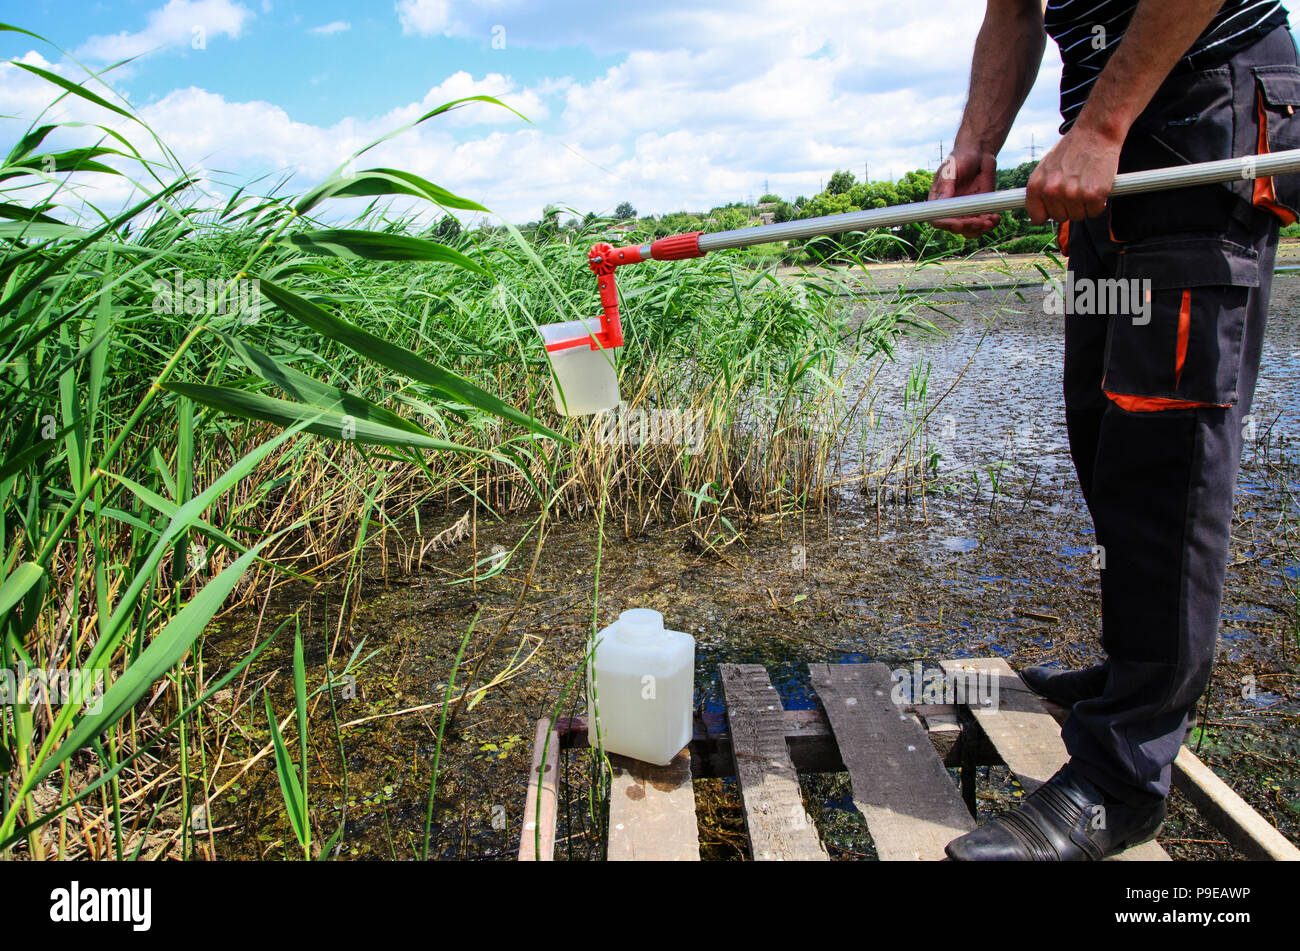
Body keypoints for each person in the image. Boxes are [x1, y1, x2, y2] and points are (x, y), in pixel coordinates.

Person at [930, 0, 1297, 860]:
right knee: (1104, 429)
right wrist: (976, 146)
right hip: (1101, 129)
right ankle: (1134, 672)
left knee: (1165, 451)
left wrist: (1106, 122)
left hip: (1196, 102)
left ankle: (1123, 781)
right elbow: (1015, 10)